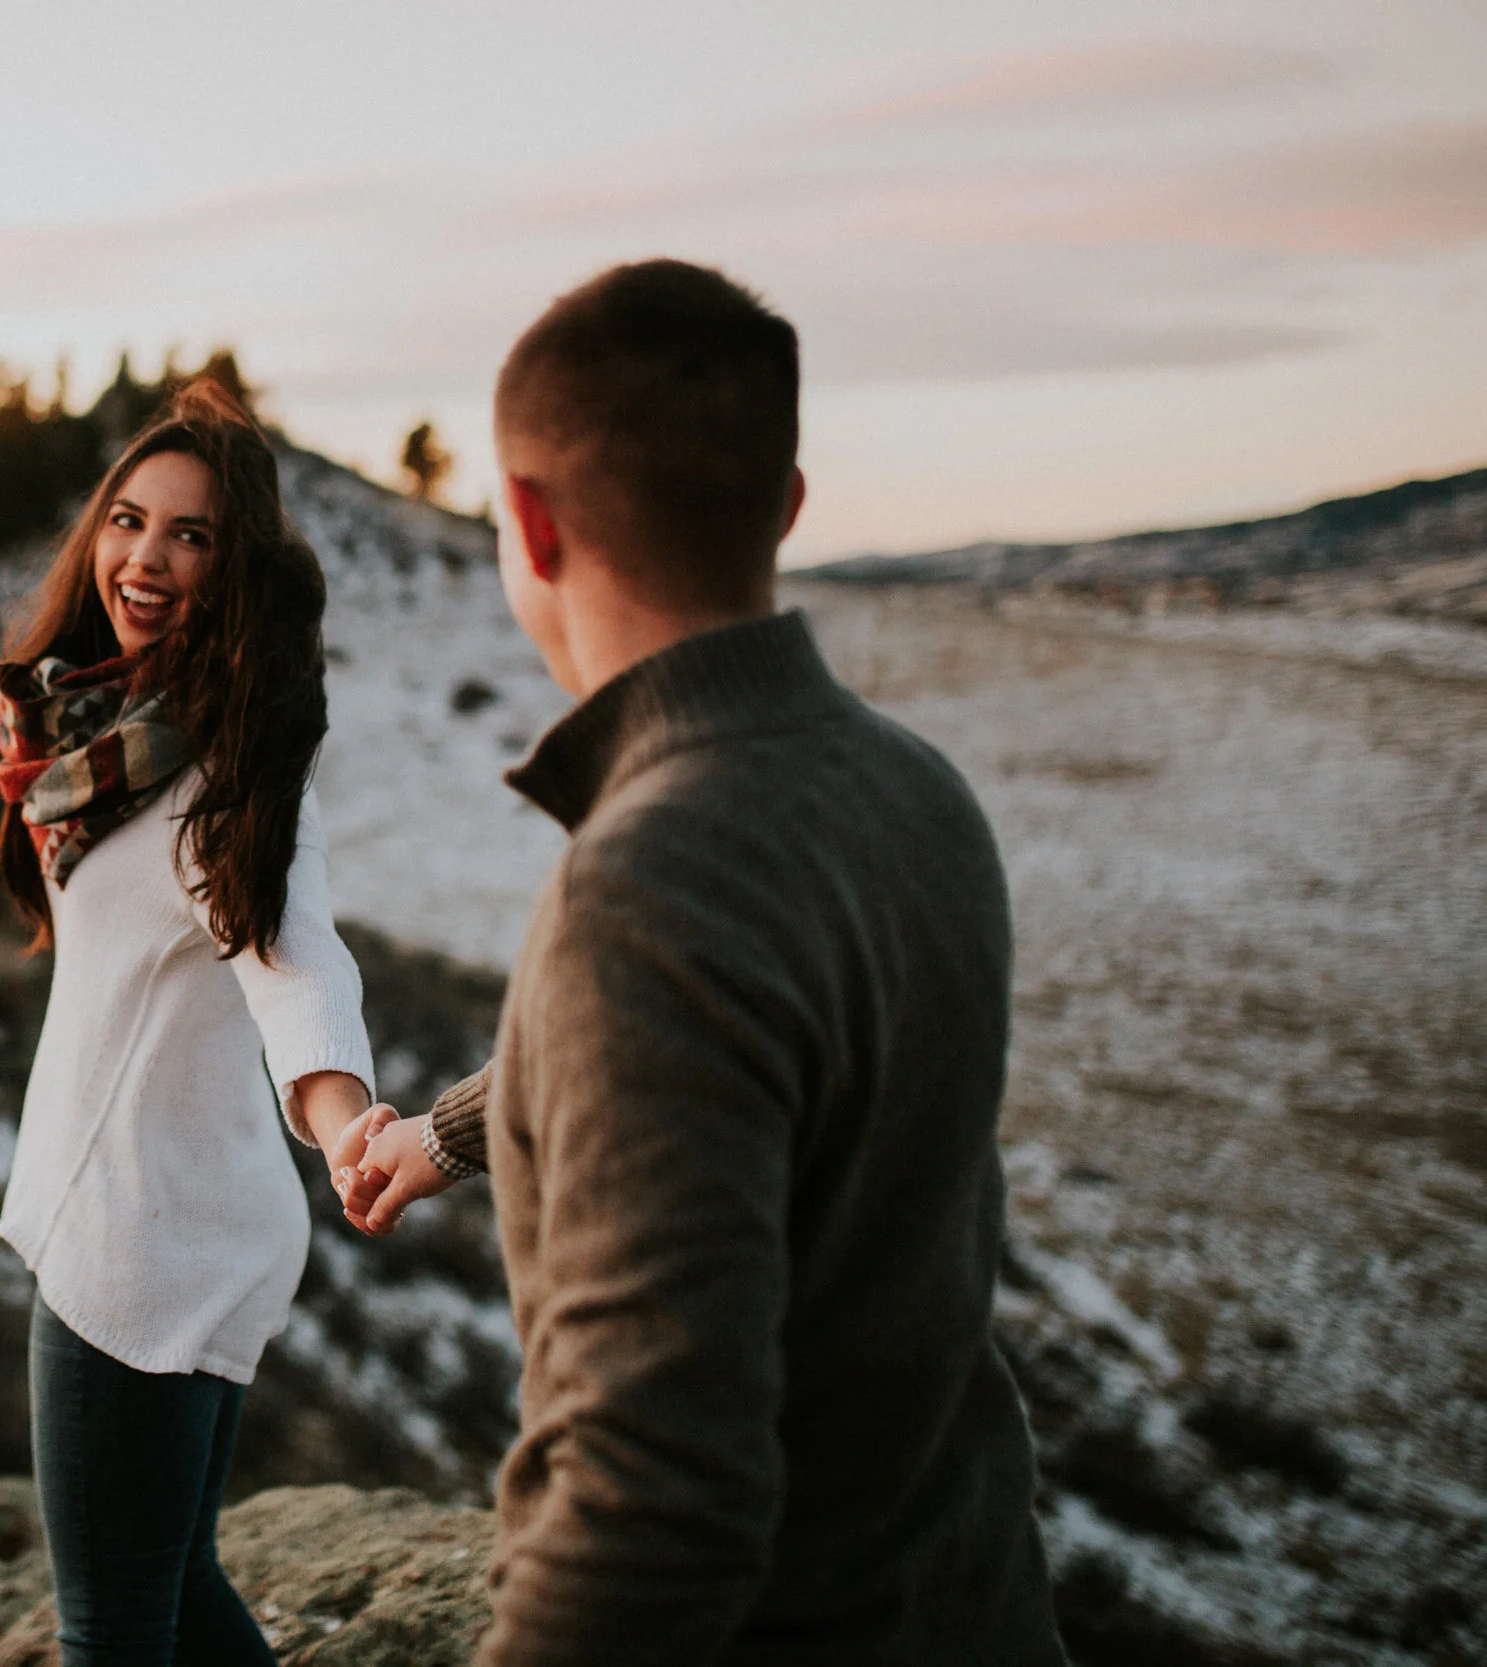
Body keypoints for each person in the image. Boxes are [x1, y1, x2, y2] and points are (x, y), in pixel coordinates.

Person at [342, 262, 1064, 1664]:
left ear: (533, 528)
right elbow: (757, 1039)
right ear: (786, 503)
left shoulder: (646, 884)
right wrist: (453, 1129)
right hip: (976, 1605)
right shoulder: (913, 787)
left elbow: (651, 1510)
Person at [0, 379, 389, 1666]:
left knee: (109, 1631)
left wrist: (346, 1117)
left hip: (140, 1244)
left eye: (191, 537)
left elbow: (291, 954)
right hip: (176, 1214)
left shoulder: (223, 777)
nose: (145, 559)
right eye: (128, 520)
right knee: (173, 1586)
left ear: (234, 571)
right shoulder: (96, 736)